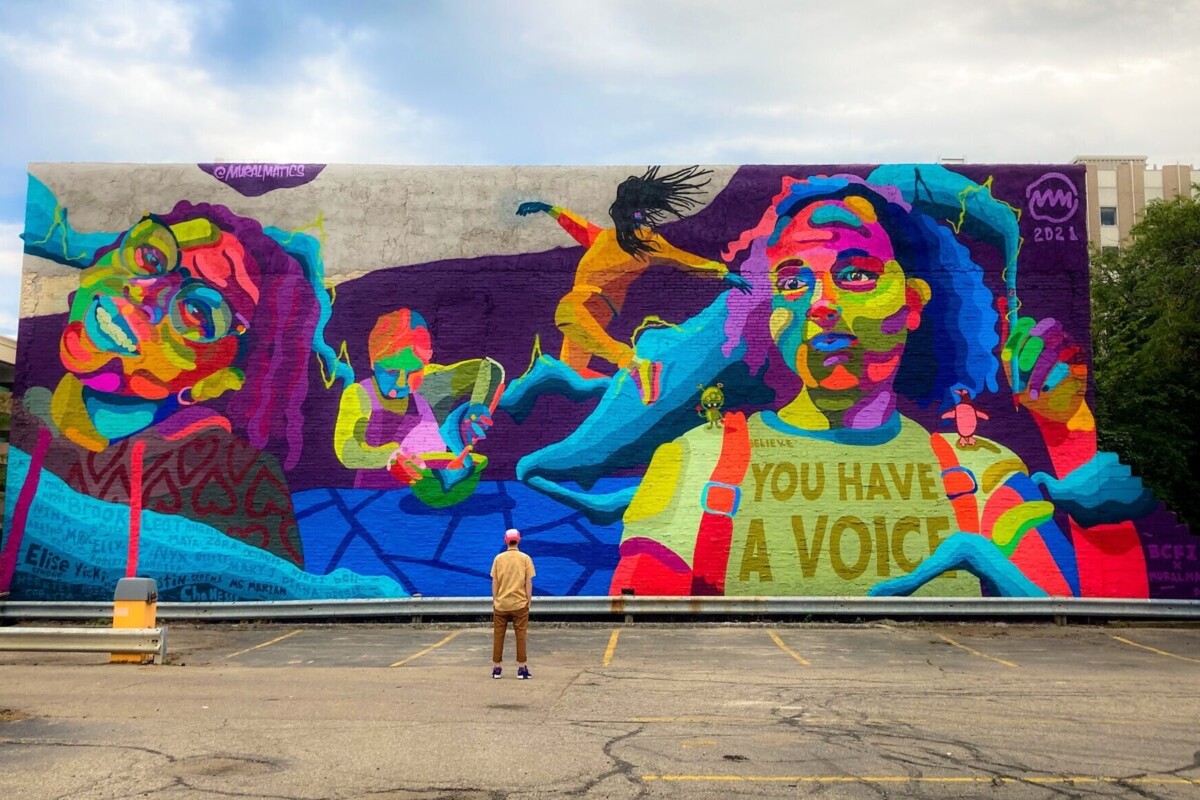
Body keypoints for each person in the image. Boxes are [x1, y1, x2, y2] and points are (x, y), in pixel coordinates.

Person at [609, 170, 1148, 599]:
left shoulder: (979, 472)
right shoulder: (693, 462)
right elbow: (636, 636)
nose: (819, 304)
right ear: (772, 310)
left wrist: (1068, 434)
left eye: (856, 274)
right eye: (793, 281)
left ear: (912, 303)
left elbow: (1098, 627)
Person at [517, 165, 751, 405]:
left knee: (564, 313)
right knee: (571, 374)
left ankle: (635, 364)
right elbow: (576, 225)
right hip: (591, 313)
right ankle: (621, 391)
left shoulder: (649, 243)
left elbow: (685, 260)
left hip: (587, 302)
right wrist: (548, 208)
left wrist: (722, 273)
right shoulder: (605, 237)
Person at [333, 308, 504, 505]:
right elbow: (347, 451)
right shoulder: (359, 394)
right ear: (373, 362)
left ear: (425, 364)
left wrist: (476, 406)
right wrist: (391, 455)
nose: (401, 382)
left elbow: (489, 369)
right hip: (374, 500)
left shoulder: (430, 383)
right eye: (390, 371)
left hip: (432, 497)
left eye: (414, 371)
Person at [490, 528, 536, 679]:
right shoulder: (525, 558)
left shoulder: (498, 558)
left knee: (498, 635)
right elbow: (528, 582)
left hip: (501, 604)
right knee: (521, 636)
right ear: (519, 540)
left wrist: (495, 600)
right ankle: (521, 669)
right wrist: (528, 601)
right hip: (519, 604)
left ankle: (497, 668)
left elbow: (495, 581)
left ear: (506, 541)